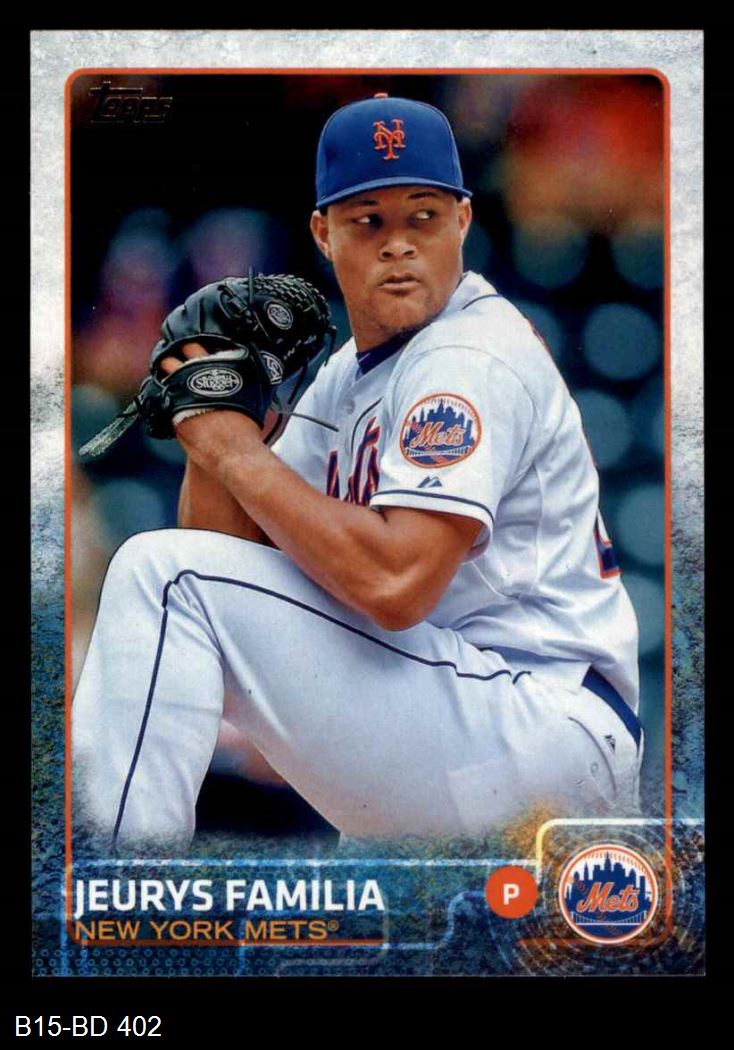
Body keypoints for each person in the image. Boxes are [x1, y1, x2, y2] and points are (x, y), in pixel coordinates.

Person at [72, 94, 643, 853]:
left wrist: (237, 452)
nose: (398, 245)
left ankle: (122, 882)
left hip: (534, 720)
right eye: (369, 221)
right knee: (183, 579)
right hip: (457, 718)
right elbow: (227, 561)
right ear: (324, 232)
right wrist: (220, 423)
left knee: (160, 575)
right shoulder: (348, 376)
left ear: (463, 221)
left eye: (423, 217)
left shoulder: (466, 354)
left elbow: (396, 584)